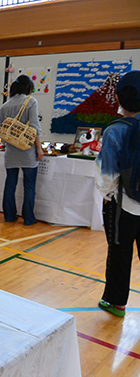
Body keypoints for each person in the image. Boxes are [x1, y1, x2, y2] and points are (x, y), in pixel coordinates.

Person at [95, 70, 140, 318]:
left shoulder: (115, 130)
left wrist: (107, 195)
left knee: (119, 251)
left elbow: (108, 173)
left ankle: (116, 302)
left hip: (122, 204)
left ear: (119, 97)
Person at [0, 75, 43, 225]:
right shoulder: (31, 101)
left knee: (10, 184)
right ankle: (28, 218)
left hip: (11, 152)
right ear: (28, 88)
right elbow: (35, 128)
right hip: (28, 151)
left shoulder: (4, 106)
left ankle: (9, 216)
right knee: (29, 186)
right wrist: (39, 148)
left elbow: (3, 131)